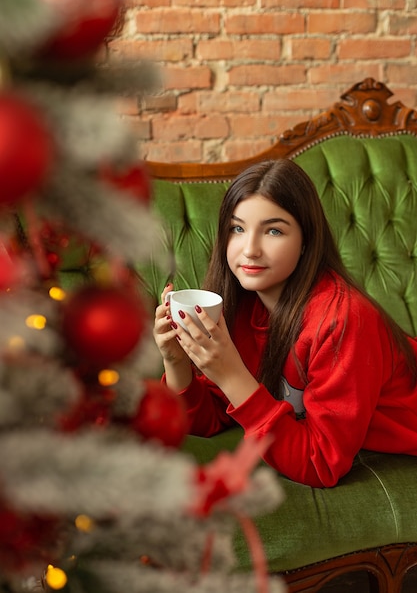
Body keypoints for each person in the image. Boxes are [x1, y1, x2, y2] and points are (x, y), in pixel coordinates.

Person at [153, 159, 417, 488]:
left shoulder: (343, 319)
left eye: (274, 231)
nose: (249, 250)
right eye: (237, 228)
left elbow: (320, 464)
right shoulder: (240, 305)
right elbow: (211, 417)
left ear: (305, 241)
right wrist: (176, 359)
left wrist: (231, 372)